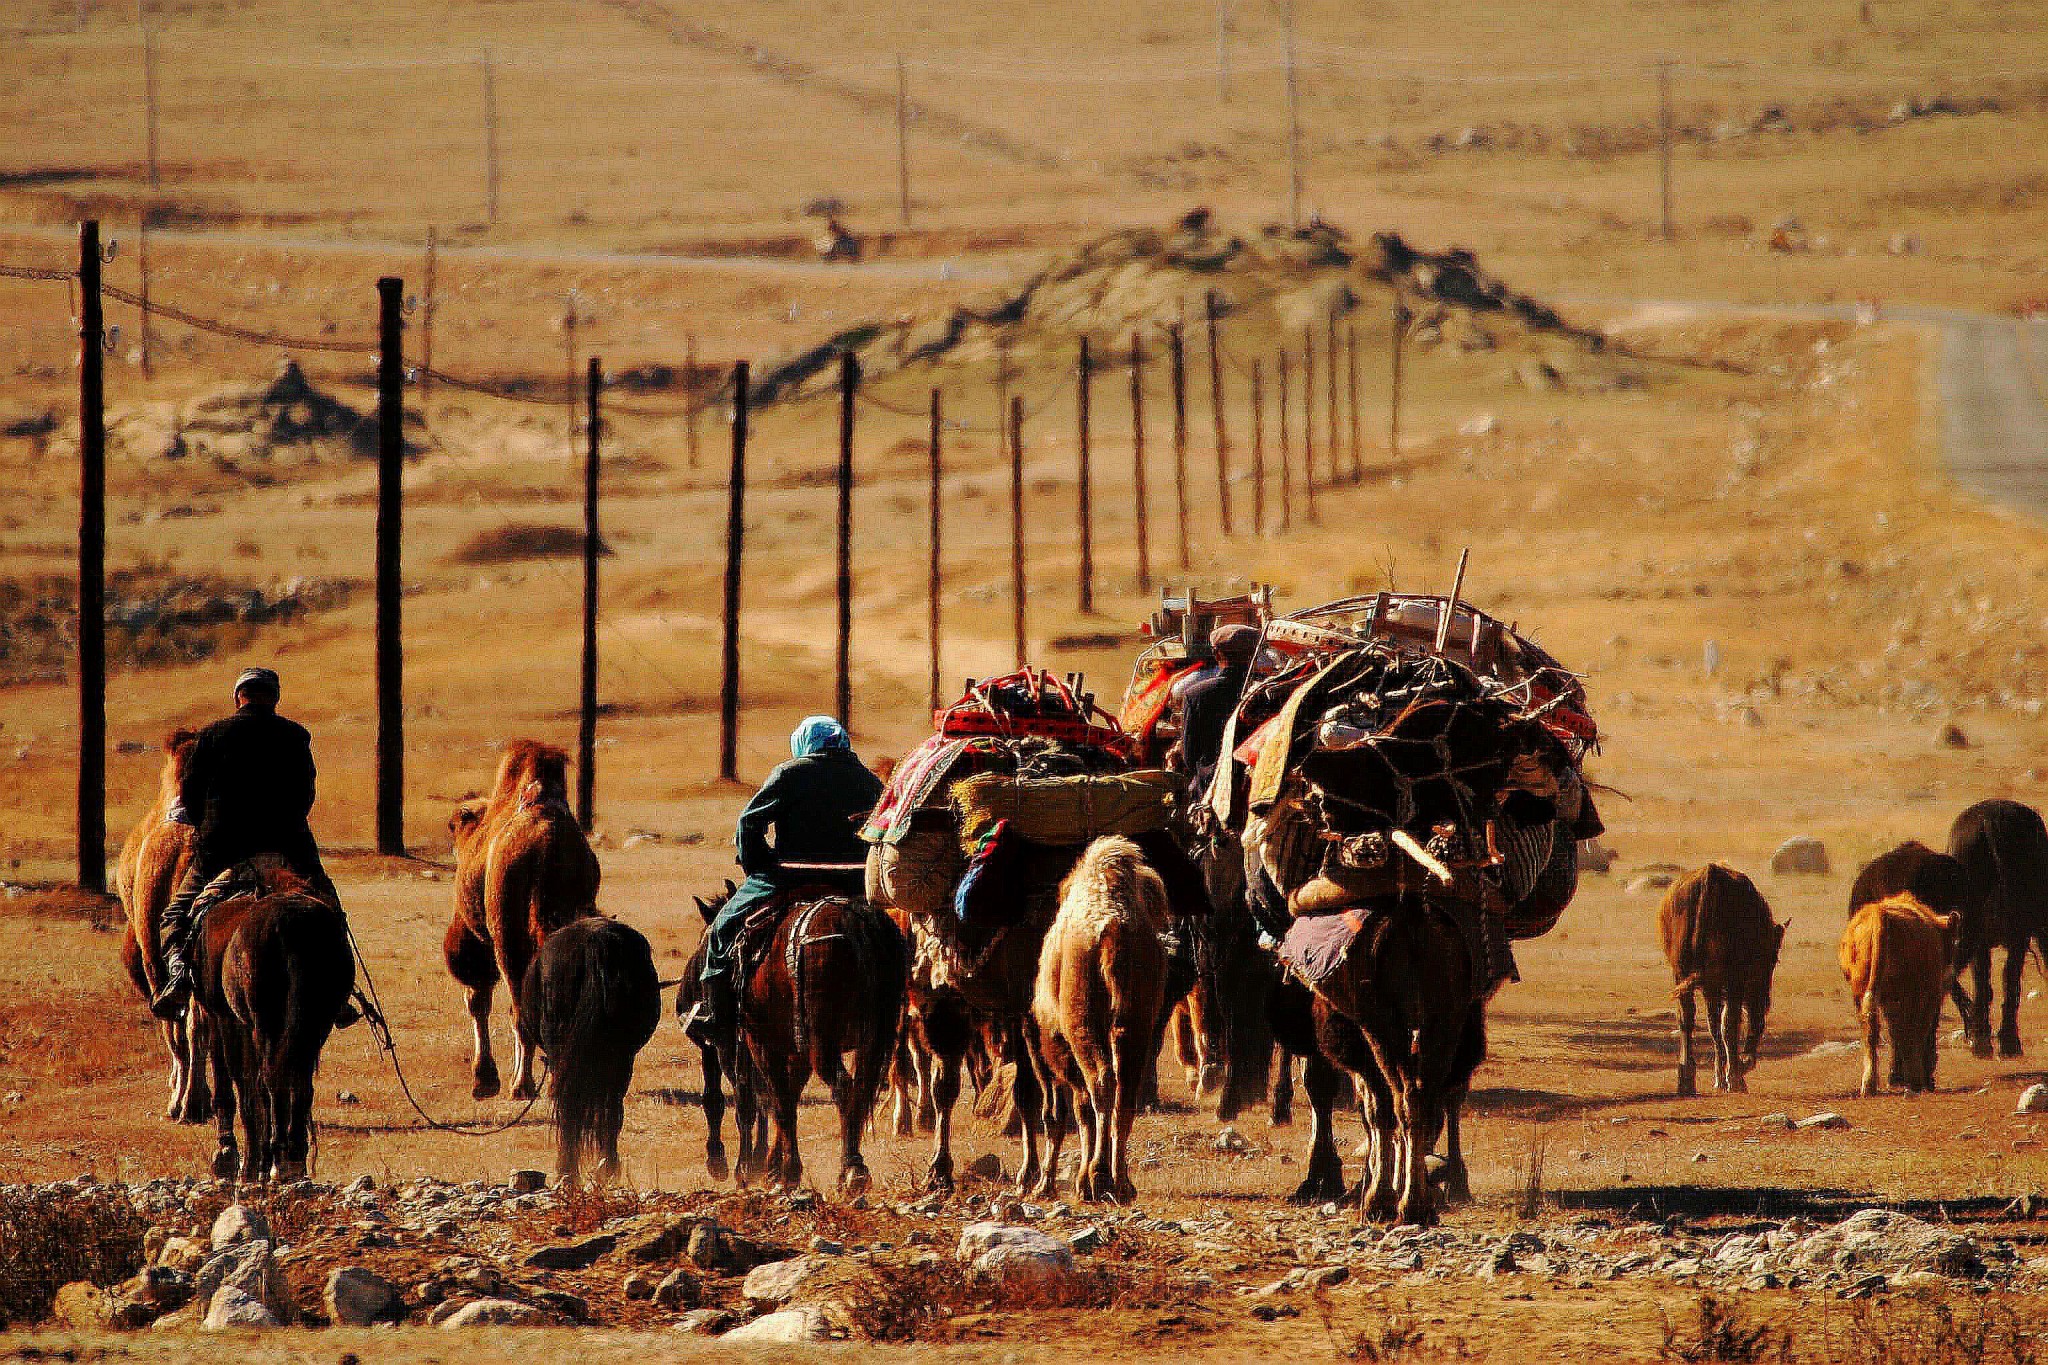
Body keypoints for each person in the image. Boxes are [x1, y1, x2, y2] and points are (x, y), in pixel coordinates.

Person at [149, 667, 343, 1022]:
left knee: (175, 915)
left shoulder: (211, 735)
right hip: (287, 848)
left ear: (238, 697)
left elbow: (190, 795)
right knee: (328, 906)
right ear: (275, 698)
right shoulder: (296, 736)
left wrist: (208, 824)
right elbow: (305, 794)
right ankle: (338, 989)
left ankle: (178, 975)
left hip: (221, 850)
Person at [682, 716, 883, 1048]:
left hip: (791, 876)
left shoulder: (789, 774)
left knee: (720, 931)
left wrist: (759, 865)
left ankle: (715, 1014)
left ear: (803, 743)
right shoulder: (868, 780)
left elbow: (749, 823)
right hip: (853, 882)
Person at [1171, 624, 1260, 794]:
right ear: (1253, 655)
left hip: (1212, 785)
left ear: (1217, 654)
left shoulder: (1196, 694)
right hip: (1256, 783)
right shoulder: (1265, 691)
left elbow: (1190, 759)